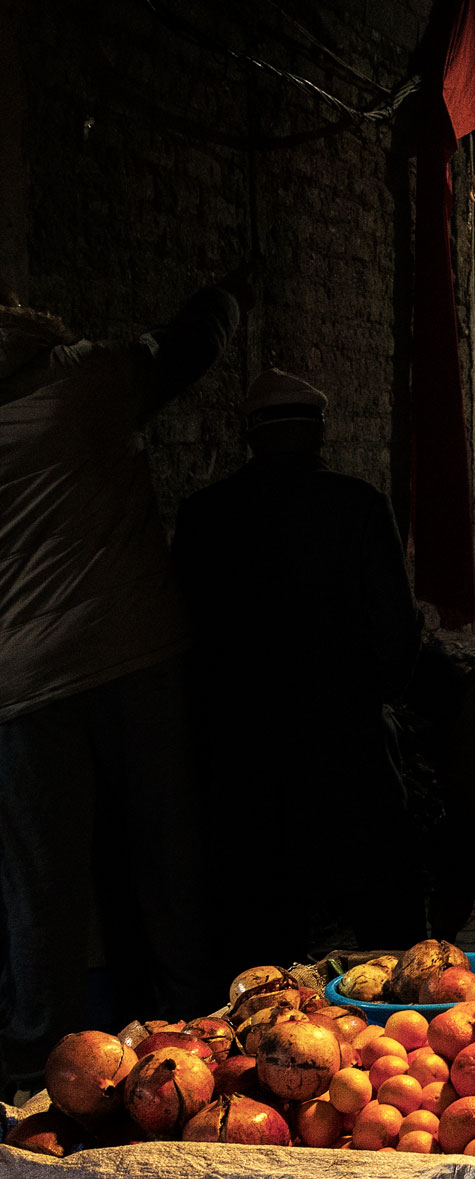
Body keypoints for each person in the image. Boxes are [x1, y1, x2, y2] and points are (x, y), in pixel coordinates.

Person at [0, 271, 246, 1098]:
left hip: (20, 684)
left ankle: (42, 1068)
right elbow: (188, 346)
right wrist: (227, 295)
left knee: (41, 883)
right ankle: (197, 1035)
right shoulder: (93, 379)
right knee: (167, 852)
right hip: (133, 654)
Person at [172, 369, 424, 965]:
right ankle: (412, 1005)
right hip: (347, 736)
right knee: (387, 912)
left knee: (259, 924)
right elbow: (396, 630)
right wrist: (376, 701)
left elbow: (184, 632)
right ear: (319, 432)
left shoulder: (205, 515)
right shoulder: (359, 506)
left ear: (250, 435)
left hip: (244, 748)